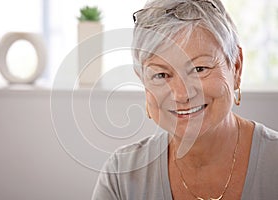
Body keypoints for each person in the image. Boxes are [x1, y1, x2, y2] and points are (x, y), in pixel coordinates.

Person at [92, 0, 278, 199]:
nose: (182, 95)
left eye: (199, 69)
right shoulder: (121, 175)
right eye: (162, 75)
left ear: (236, 67)